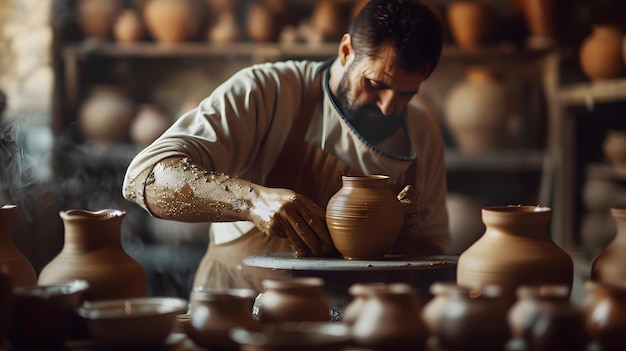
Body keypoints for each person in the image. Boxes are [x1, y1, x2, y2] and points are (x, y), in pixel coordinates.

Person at [122, 0, 450, 293]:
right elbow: (144, 177)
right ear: (346, 51)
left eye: (408, 93)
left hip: (354, 323)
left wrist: (403, 241)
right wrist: (251, 200)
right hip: (239, 310)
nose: (389, 107)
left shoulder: (421, 132)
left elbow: (434, 252)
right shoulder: (268, 92)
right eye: (376, 84)